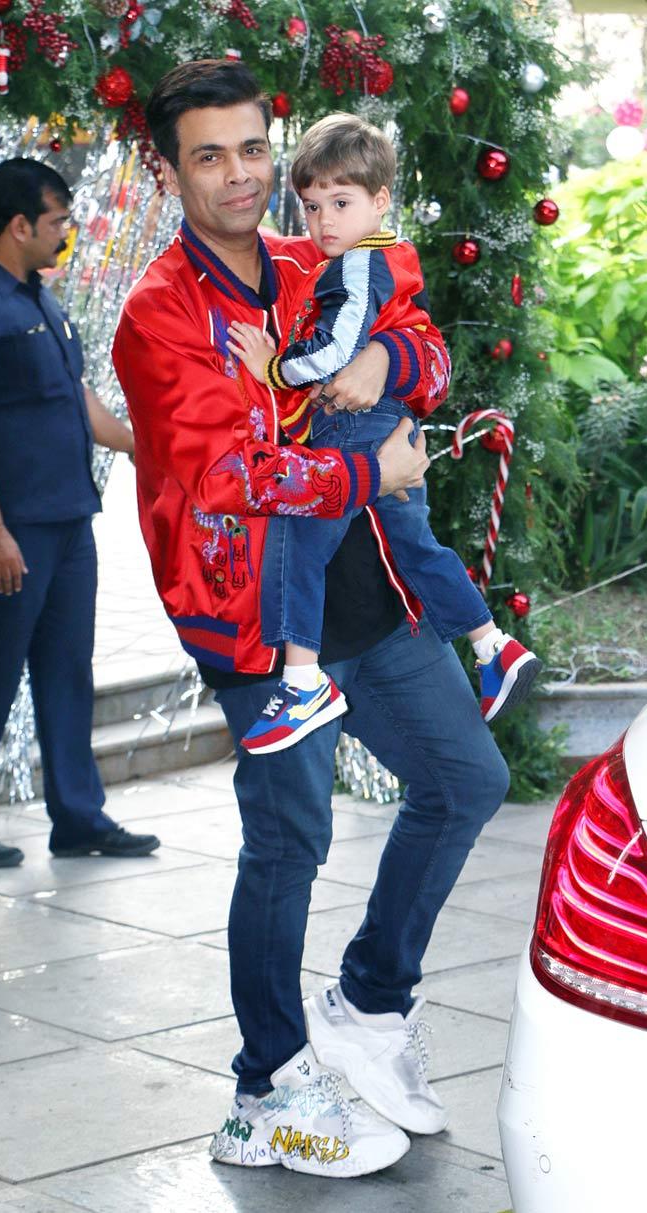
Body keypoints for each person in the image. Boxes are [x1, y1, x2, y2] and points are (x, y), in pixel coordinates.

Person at [113, 60, 510, 1179]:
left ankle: (372, 1007)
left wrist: (389, 355)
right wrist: (365, 465)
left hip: (366, 589)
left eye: (252, 150)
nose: (240, 176)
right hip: (254, 612)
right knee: (290, 839)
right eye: (209, 155)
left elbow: (424, 342)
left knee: (463, 780)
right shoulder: (156, 316)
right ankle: (266, 1088)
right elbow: (226, 479)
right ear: (168, 166)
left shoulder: (316, 256)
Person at [227, 113, 542, 755]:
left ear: (380, 201)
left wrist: (273, 366)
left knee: (299, 534)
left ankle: (302, 680)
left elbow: (344, 346)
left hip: (358, 427)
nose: (324, 224)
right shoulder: (382, 253)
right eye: (311, 208)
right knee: (415, 545)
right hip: (387, 425)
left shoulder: (352, 266)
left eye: (340, 204)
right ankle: (492, 645)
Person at [0, 157, 160, 868]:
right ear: (19, 225)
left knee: (66, 670)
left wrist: (147, 448)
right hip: (12, 527)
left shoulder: (38, 296)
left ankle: (79, 817)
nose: (69, 231)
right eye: (57, 220)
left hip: (68, 519)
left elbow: (79, 402)